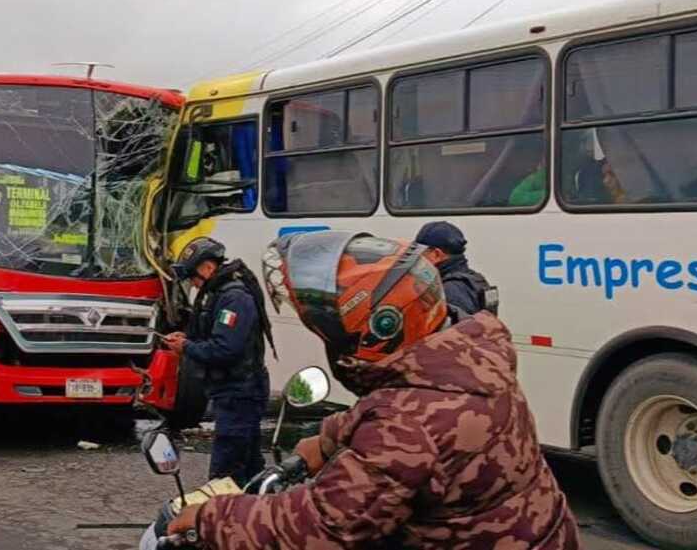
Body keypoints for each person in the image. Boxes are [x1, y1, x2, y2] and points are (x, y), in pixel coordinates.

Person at [169, 231, 580, 549]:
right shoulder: (476, 357)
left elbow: (320, 530)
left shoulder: (403, 428)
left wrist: (210, 518)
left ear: (379, 331)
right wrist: (332, 438)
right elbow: (415, 406)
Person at [163, 237, 274, 486]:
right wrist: (188, 338)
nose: (193, 282)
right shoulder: (220, 294)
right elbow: (216, 336)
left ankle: (226, 519)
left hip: (240, 393)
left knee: (226, 472)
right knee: (249, 464)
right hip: (233, 391)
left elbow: (226, 349)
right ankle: (257, 513)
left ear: (206, 268)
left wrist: (187, 347)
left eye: (193, 276)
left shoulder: (234, 298)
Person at [415, 221, 499, 318]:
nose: (418, 258)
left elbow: (457, 331)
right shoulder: (474, 279)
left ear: (436, 254)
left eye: (421, 253)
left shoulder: (450, 290)